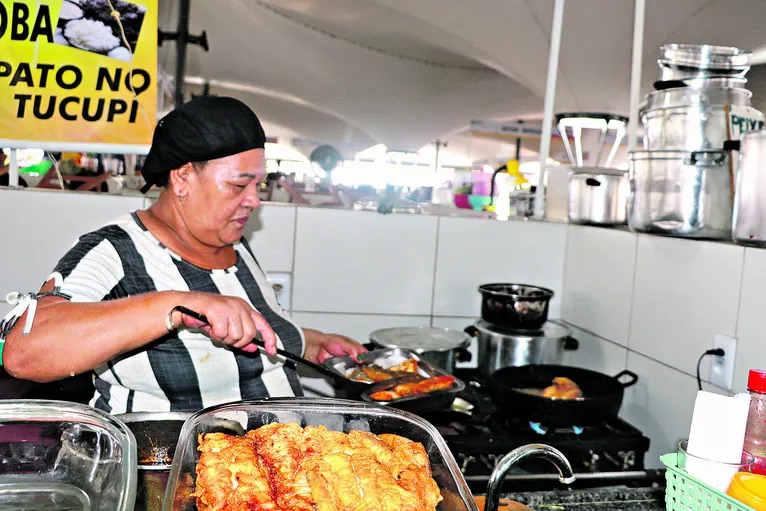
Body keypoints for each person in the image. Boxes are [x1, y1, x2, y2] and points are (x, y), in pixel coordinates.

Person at [0, 97, 366, 413]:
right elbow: (23, 351)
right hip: (173, 470)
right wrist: (176, 306)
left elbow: (254, 334)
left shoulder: (231, 242)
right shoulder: (115, 250)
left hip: (278, 460)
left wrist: (316, 344)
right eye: (239, 185)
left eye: (258, 184)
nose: (254, 200)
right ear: (182, 178)